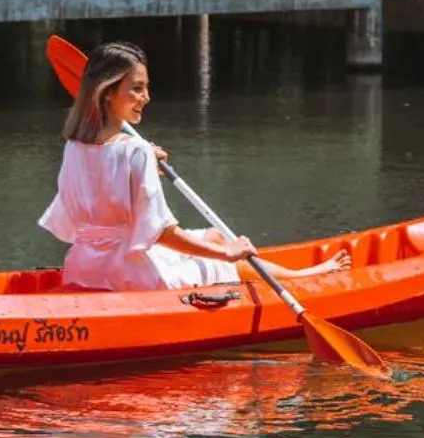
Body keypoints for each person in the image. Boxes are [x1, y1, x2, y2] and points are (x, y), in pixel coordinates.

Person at [39, 41, 352, 292]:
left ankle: (288, 272)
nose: (146, 97)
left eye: (146, 87)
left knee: (214, 234)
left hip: (83, 266)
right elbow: (162, 233)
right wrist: (227, 254)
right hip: (129, 276)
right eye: (136, 88)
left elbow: (81, 210)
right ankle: (302, 278)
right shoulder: (135, 151)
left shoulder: (74, 146)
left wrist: (141, 167)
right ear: (108, 93)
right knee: (225, 259)